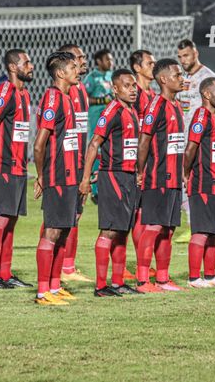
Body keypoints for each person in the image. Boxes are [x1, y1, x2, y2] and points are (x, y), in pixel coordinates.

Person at [79, 68, 142, 297]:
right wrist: (86, 179)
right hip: (113, 176)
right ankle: (100, 286)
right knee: (108, 231)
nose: (132, 90)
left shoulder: (132, 111)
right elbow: (94, 143)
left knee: (122, 231)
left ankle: (117, 282)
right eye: (127, 85)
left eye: (134, 85)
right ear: (114, 89)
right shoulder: (112, 111)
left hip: (128, 177)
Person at [0, 49, 34, 289]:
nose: (31, 66)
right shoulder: (6, 91)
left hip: (19, 166)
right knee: (0, 220)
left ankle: (5, 274)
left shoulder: (25, 94)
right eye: (26, 62)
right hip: (2, 165)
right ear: (13, 67)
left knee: (11, 221)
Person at [33, 51, 80, 306]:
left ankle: (54, 285)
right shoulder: (53, 98)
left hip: (70, 174)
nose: (77, 70)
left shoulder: (65, 97)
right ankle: (42, 293)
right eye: (73, 67)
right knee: (51, 231)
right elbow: (39, 144)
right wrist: (42, 176)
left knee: (63, 231)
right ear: (60, 73)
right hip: (57, 174)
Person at [135, 58, 186, 293]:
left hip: (174, 177)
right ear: (163, 79)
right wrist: (140, 170)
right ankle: (143, 279)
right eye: (177, 75)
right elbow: (144, 141)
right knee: (153, 227)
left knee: (168, 229)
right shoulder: (156, 105)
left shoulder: (176, 106)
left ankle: (163, 279)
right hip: (158, 176)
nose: (181, 78)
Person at [183, 77, 215, 288]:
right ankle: (195, 278)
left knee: (214, 232)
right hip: (203, 182)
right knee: (201, 231)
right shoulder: (201, 115)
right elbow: (190, 149)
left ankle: (211, 275)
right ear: (206, 94)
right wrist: (185, 175)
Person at [175, 39, 215, 242]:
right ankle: (191, 223)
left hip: (202, 139)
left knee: (199, 180)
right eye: (180, 57)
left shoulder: (208, 77)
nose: (183, 60)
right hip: (182, 137)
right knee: (183, 179)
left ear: (196, 53)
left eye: (186, 55)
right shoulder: (181, 78)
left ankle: (201, 223)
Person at [58, 43, 92, 282]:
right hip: (65, 160)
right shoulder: (64, 90)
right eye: (79, 57)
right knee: (58, 215)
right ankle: (58, 266)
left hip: (79, 158)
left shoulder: (80, 89)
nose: (84, 60)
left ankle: (68, 267)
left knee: (76, 214)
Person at [128, 49, 156, 279]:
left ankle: (143, 263)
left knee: (143, 212)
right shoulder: (134, 94)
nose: (153, 66)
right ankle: (140, 266)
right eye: (149, 63)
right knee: (137, 213)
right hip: (135, 162)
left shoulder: (152, 94)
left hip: (149, 161)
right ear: (137, 68)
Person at [83, 49, 114, 203]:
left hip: (111, 120)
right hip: (96, 119)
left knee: (109, 152)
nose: (111, 62)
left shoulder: (111, 77)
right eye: (107, 60)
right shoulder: (91, 78)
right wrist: (102, 101)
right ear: (99, 62)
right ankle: (95, 191)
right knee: (96, 151)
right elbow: (84, 98)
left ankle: (108, 186)